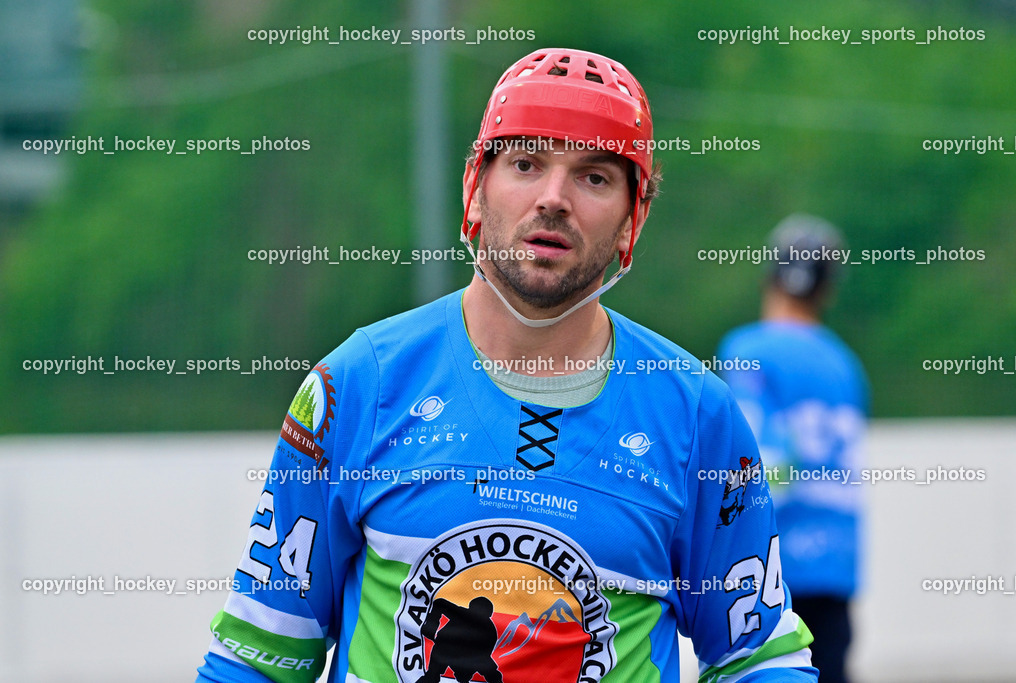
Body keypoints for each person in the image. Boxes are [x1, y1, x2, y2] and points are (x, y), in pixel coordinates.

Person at [196, 48, 817, 683]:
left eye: (594, 177)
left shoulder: (694, 415)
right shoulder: (359, 385)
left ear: (634, 220)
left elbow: (761, 659)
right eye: (526, 163)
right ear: (475, 185)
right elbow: (259, 658)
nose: (554, 198)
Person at [717, 214, 869, 683]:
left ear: (770, 275)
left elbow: (759, 461)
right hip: (836, 563)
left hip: (772, 572)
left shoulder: (747, 347)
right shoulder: (845, 363)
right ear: (827, 288)